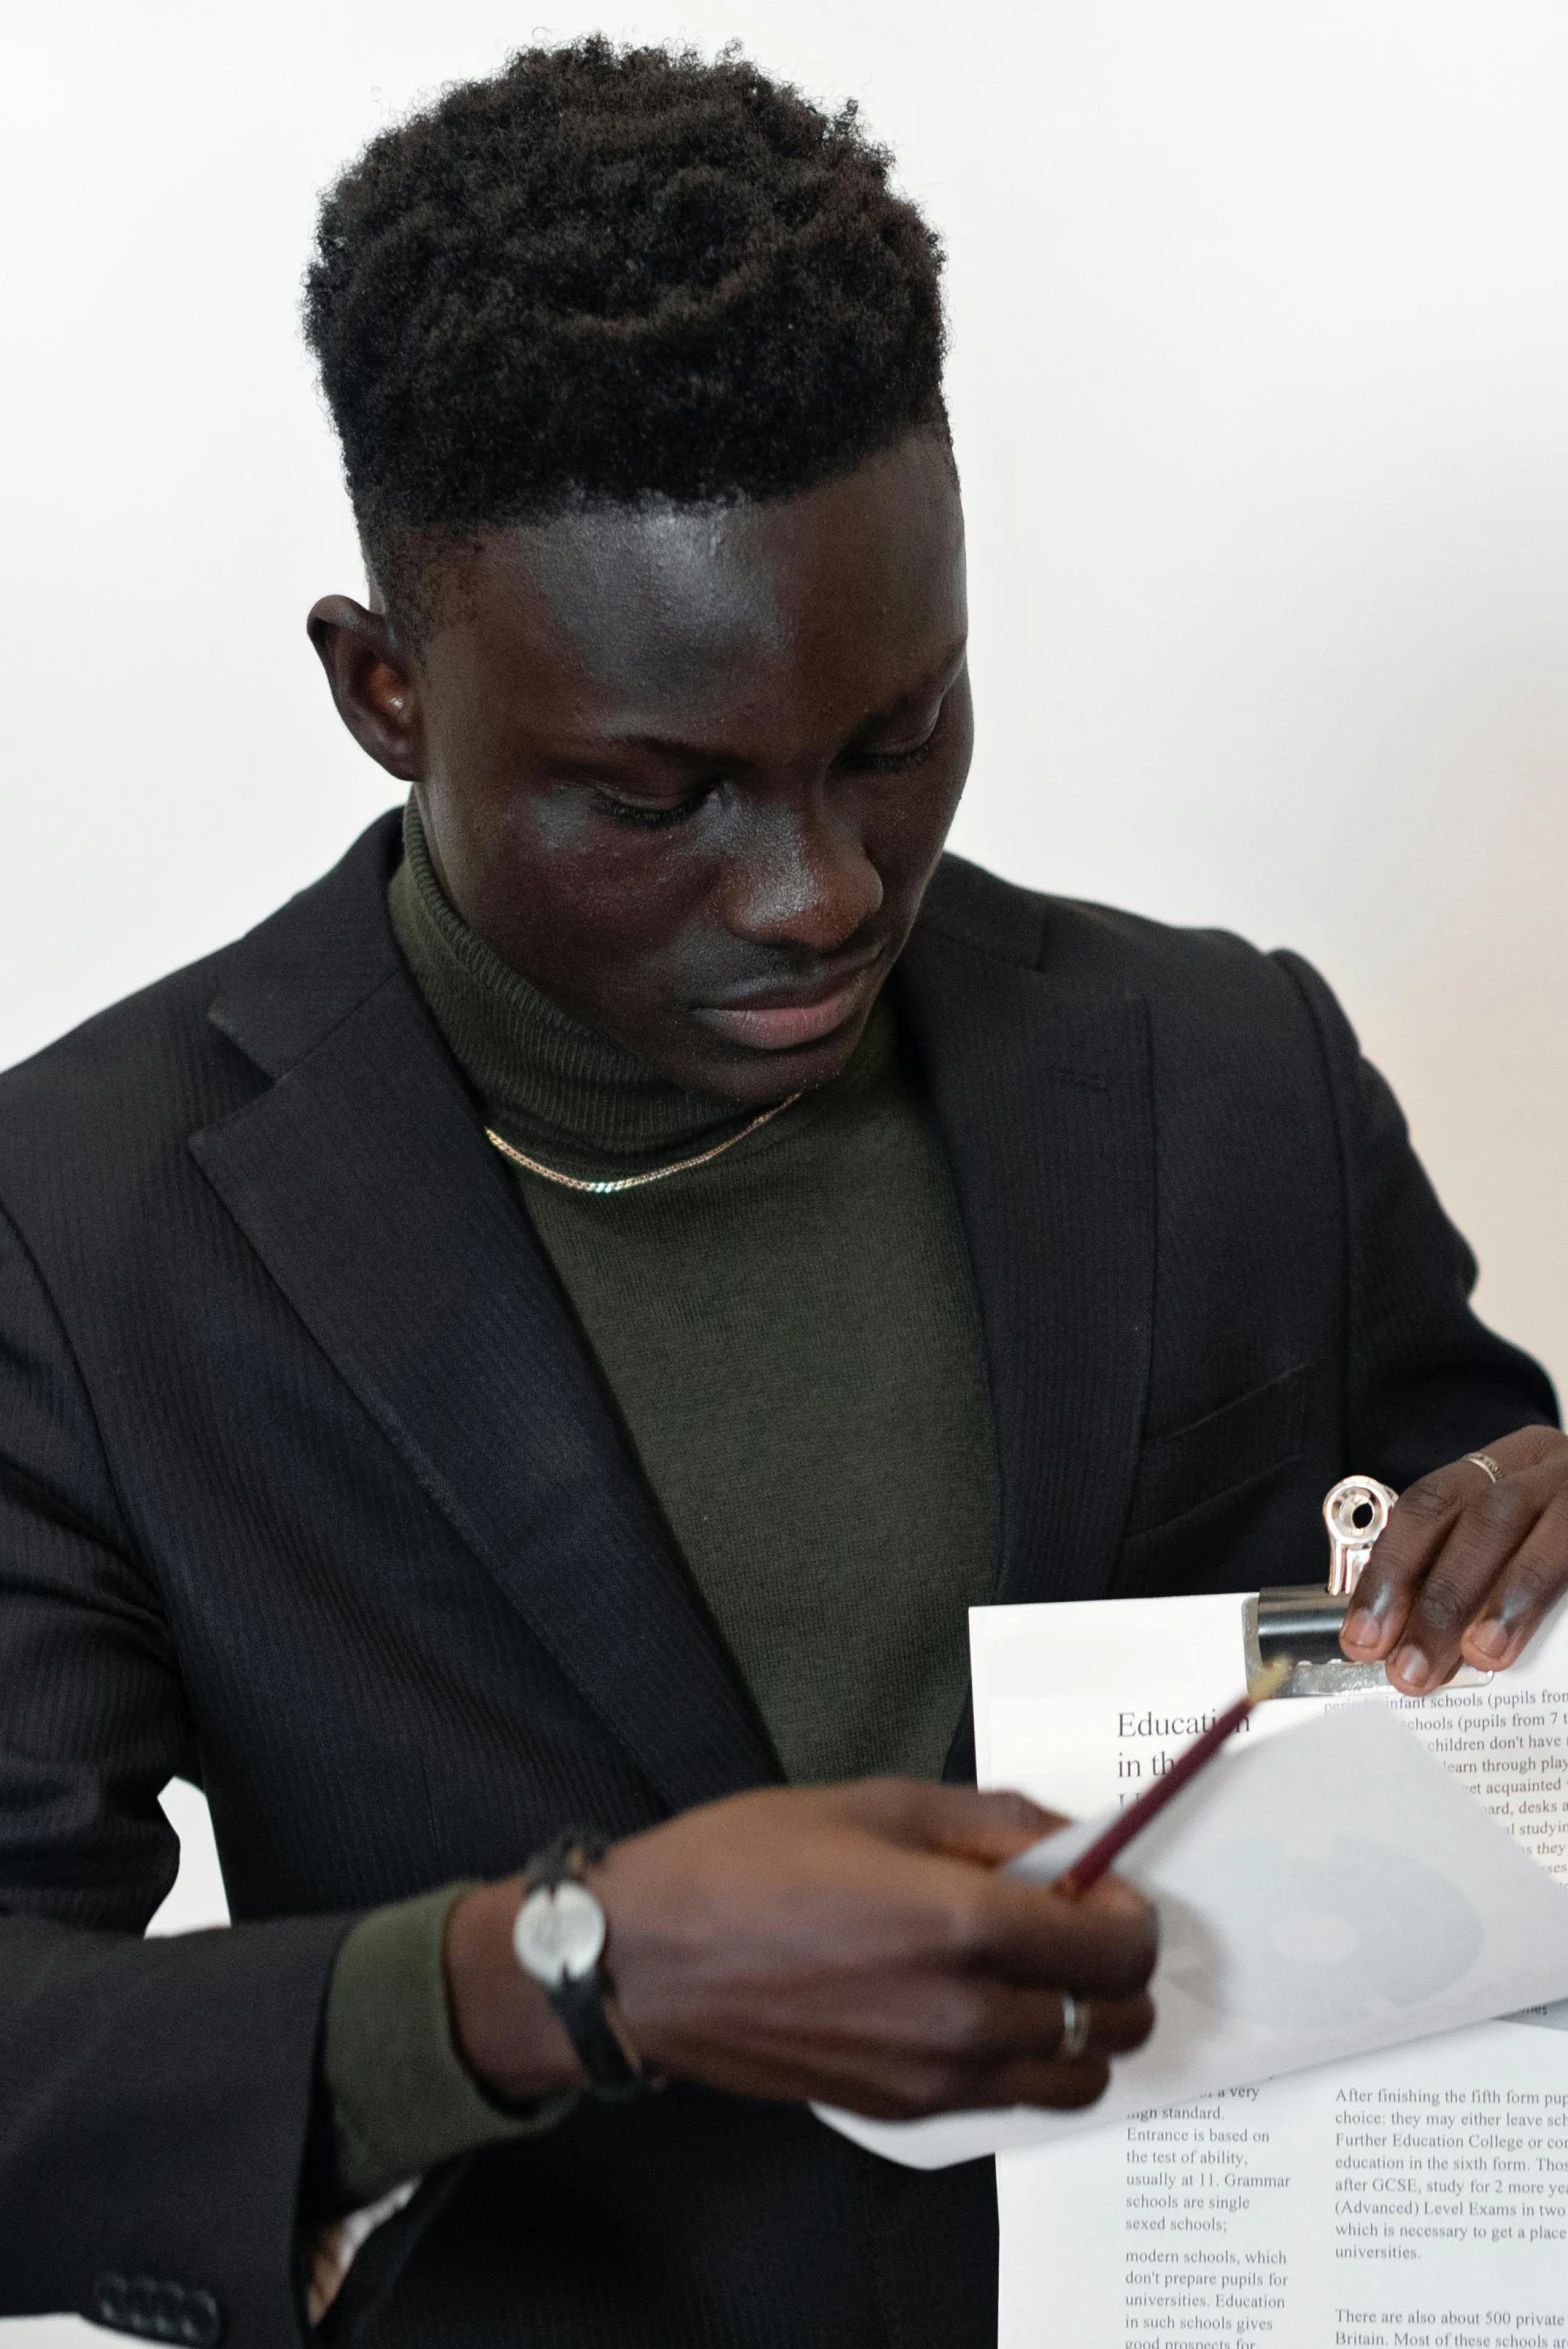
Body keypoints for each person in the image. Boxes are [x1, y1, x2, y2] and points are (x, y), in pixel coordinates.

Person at [1, 37, 1564, 2349]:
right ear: (383, 691)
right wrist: (566, 1971)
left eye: (891, 738)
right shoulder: (81, 1223)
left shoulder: (1234, 1070)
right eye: (659, 798)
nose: (824, 891)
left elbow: (1477, 1713)